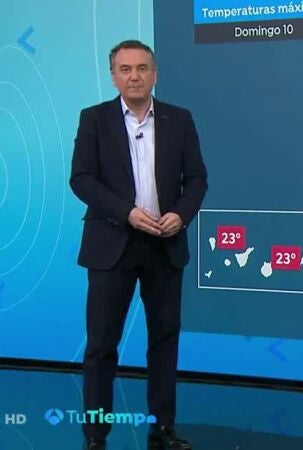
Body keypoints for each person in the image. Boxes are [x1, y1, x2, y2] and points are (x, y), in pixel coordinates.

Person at [70, 39, 207, 450]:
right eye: (126, 69)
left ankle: (162, 429)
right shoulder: (93, 119)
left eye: (142, 68)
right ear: (113, 76)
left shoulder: (179, 119)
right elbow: (82, 179)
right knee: (101, 346)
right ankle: (96, 435)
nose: (134, 76)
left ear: (155, 74)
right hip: (112, 245)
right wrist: (126, 212)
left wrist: (181, 214)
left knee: (164, 341)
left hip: (165, 245)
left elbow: (196, 178)